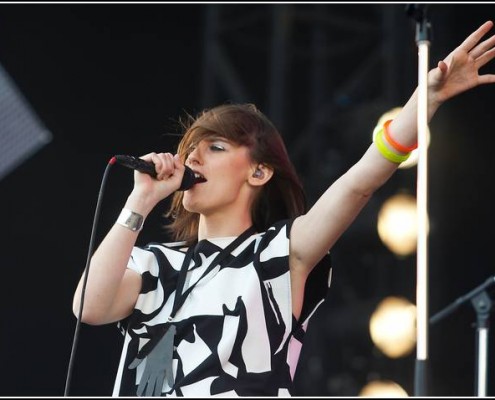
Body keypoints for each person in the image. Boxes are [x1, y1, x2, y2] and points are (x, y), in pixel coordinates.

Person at [73, 20, 495, 397]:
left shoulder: (278, 254)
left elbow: (359, 182)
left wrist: (427, 101)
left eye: (215, 148)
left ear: (258, 173)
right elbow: (89, 307)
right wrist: (139, 201)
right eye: (190, 151)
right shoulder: (152, 264)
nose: (193, 160)